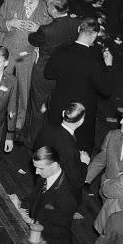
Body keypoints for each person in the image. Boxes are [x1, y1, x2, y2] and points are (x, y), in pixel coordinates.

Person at [0, 0, 53, 133]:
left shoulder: (47, 9)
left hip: (28, 55)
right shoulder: (11, 2)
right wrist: (9, 23)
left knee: (23, 90)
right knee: (0, 85)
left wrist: (39, 29)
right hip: (7, 51)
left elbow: (51, 34)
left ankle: (18, 122)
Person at [45, 18, 113, 151]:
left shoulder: (61, 50)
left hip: (59, 105)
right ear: (94, 35)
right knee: (79, 148)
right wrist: (109, 65)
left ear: (78, 30)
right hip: (82, 111)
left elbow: (48, 74)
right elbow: (106, 89)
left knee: (55, 146)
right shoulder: (94, 59)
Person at [26, 0, 79, 137]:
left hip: (44, 72)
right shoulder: (76, 24)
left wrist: (36, 29)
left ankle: (35, 139)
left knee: (39, 108)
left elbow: (33, 40)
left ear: (54, 11)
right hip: (65, 72)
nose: (47, 8)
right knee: (57, 106)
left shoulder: (46, 30)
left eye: (48, 6)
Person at [35, 103, 88, 193]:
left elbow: (37, 148)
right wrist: (84, 163)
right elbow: (77, 182)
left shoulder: (47, 128)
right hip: (56, 191)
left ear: (63, 113)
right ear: (81, 121)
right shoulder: (71, 149)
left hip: (40, 179)